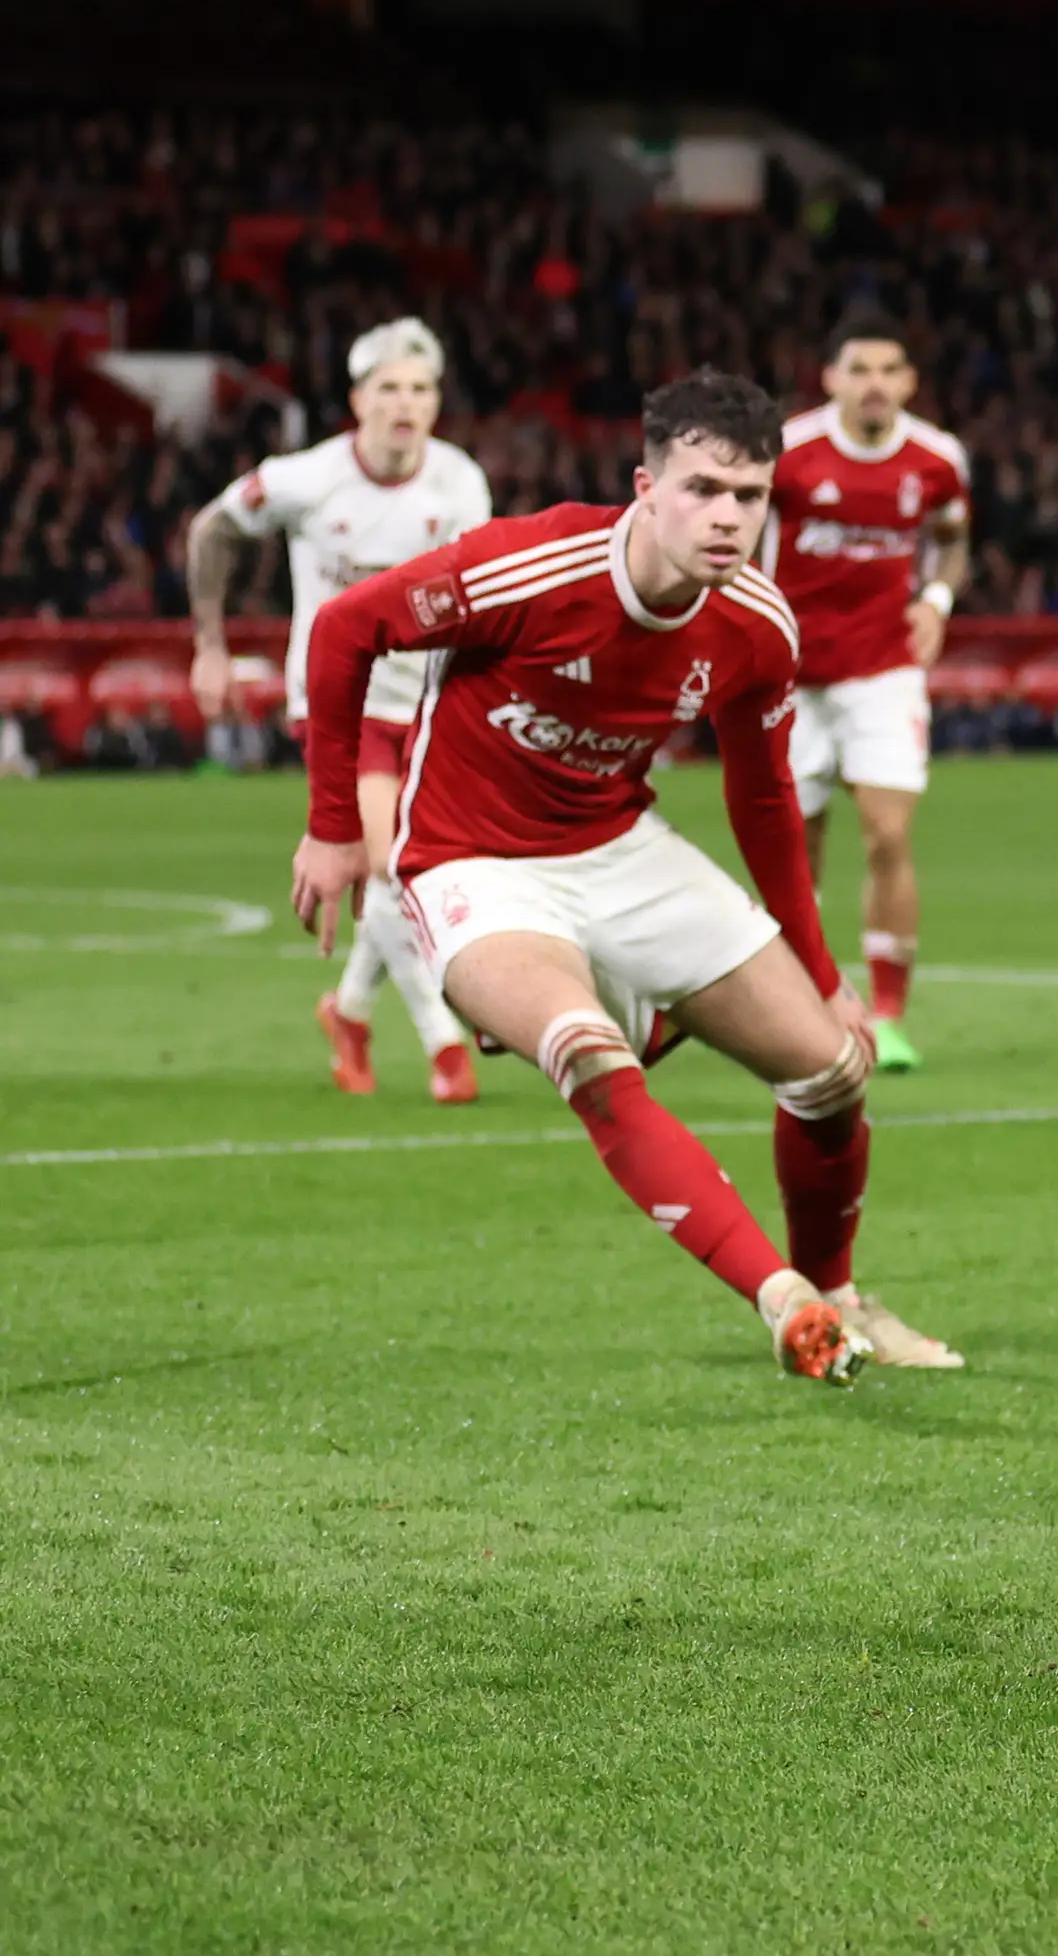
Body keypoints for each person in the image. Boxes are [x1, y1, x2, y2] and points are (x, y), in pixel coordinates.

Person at [286, 370, 961, 1382]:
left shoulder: (756, 624)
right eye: (702, 489)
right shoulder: (529, 565)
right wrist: (335, 826)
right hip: (474, 860)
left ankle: (837, 1292)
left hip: (617, 847)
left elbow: (766, 802)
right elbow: (347, 629)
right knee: (591, 1056)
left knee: (831, 1070)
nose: (727, 517)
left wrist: (821, 970)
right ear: (646, 484)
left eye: (749, 497)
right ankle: (781, 1301)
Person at [186, 318, 494, 1103]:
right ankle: (444, 1046)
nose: (406, 403)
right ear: (358, 399)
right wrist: (211, 645)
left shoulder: (459, 482)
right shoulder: (308, 477)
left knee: (397, 872)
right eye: (388, 387)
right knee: (392, 864)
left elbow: (482, 597)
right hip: (338, 707)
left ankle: (350, 1012)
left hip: (428, 705)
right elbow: (211, 529)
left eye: (421, 389)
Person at [769, 312, 971, 1070]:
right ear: (831, 379)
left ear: (909, 382)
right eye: (860, 369)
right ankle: (808, 1006)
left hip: (884, 673)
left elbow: (952, 539)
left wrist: (937, 601)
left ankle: (887, 1015)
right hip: (790, 676)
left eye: (890, 370)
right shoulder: (788, 454)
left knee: (887, 833)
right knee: (797, 848)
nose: (875, 384)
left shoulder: (936, 458)